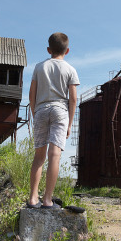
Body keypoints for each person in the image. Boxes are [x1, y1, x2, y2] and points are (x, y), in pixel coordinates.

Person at [27, 32, 79, 209]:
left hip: (41, 109)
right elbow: (73, 99)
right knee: (54, 155)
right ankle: (48, 200)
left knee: (39, 156)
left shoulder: (39, 67)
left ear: (48, 49)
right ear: (68, 50)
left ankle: (33, 198)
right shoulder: (70, 69)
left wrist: (35, 113)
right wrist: (70, 123)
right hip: (60, 111)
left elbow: (31, 94)